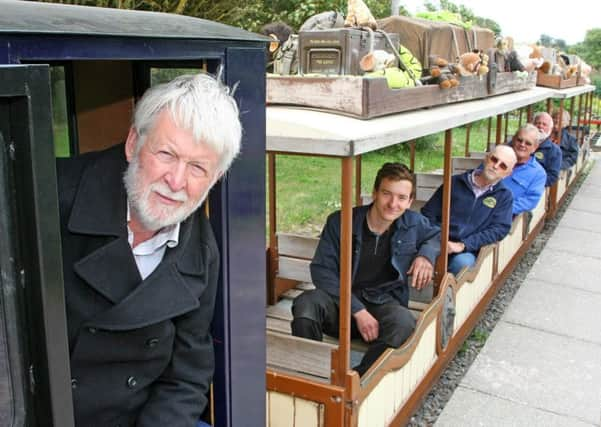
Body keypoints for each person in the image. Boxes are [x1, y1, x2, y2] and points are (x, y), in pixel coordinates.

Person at [56, 73, 241, 427]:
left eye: (198, 167)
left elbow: (186, 378)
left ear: (215, 179)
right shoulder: (51, 198)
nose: (176, 181)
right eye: (167, 154)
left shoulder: (201, 255)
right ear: (133, 144)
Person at [291, 163, 440, 376]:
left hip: (384, 306)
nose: (393, 204)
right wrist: (357, 310)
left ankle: (360, 380)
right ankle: (310, 373)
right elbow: (321, 270)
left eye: (401, 197)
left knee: (404, 323)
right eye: (387, 194)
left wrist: (426, 255)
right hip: (341, 304)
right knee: (306, 304)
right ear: (375, 193)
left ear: (410, 201)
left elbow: (437, 236)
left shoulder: (413, 223)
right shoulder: (341, 221)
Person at [421, 145, 516, 276]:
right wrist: (439, 239)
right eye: (494, 159)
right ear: (486, 158)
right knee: (418, 254)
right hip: (438, 239)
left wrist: (463, 245)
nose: (496, 166)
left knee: (462, 263)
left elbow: (500, 229)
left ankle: (446, 294)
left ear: (508, 173)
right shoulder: (453, 183)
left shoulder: (504, 196)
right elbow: (428, 213)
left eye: (503, 166)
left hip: (468, 249)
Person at [503, 124, 547, 215]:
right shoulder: (498, 158)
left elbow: (529, 201)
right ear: (514, 140)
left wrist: (500, 209)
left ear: (535, 147)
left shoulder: (538, 173)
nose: (522, 145)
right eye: (519, 140)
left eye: (528, 143)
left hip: (506, 217)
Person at [533, 111, 563, 186]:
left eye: (544, 124)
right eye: (537, 123)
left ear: (550, 128)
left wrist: (532, 184)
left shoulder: (554, 151)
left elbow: (552, 177)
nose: (540, 126)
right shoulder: (521, 143)